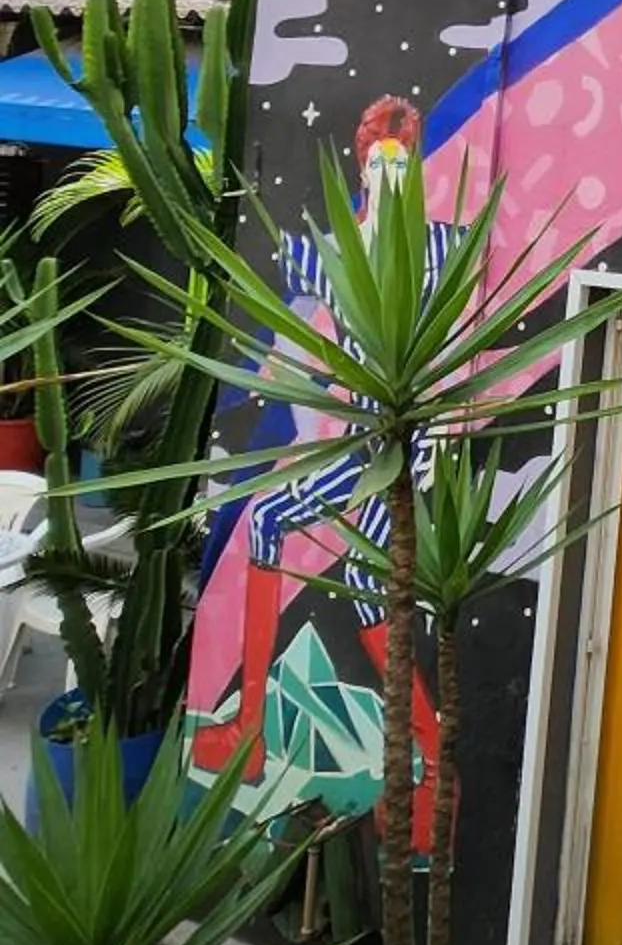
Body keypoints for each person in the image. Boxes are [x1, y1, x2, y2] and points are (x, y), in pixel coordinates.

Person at [190, 97, 449, 852]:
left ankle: (251, 731)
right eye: (380, 161)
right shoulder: (352, 253)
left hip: (393, 442)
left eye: (398, 160)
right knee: (367, 586)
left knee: (281, 528)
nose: (390, 173)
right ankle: (429, 765)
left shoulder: (408, 248)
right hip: (381, 439)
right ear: (363, 168)